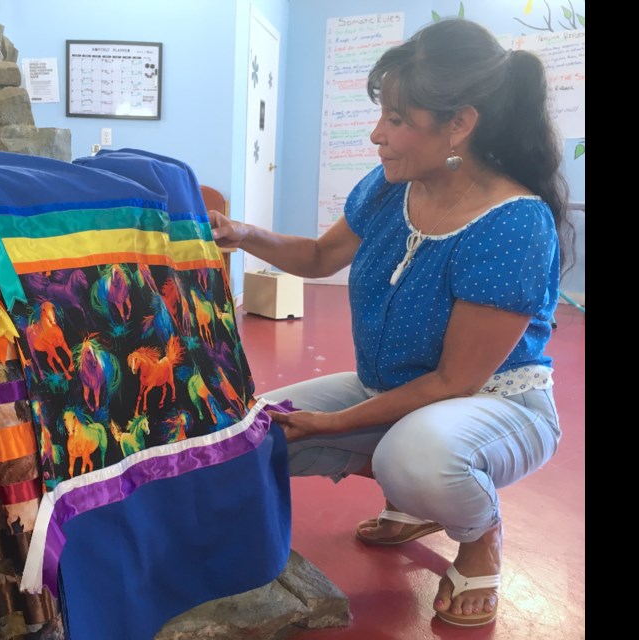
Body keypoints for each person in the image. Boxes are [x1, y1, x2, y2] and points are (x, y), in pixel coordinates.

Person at [209, 18, 568, 628]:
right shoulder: (390, 186)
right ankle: (411, 492)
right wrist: (241, 234)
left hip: (497, 406)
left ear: (461, 124)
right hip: (395, 391)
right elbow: (321, 257)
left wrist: (330, 424)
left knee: (417, 457)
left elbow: (455, 381)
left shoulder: (513, 223)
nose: (377, 135)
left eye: (397, 120)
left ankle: (478, 531)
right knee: (248, 432)